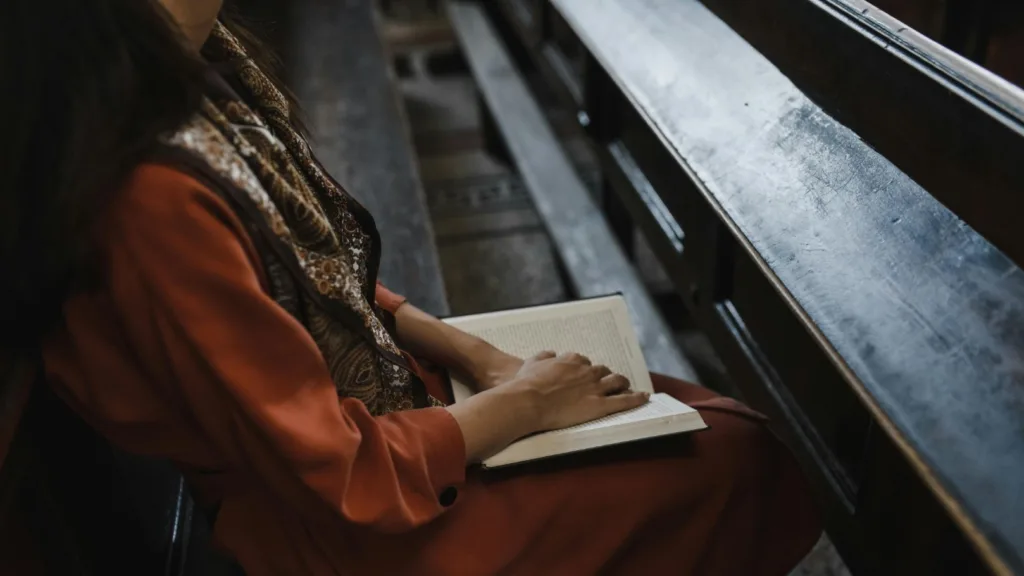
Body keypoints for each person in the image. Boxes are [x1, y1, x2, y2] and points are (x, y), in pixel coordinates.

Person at [0, 0, 821, 574]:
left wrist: (475, 351)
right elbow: (342, 478)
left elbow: (314, 281)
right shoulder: (152, 193)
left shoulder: (190, 66)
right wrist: (524, 405)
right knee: (739, 464)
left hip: (381, 429)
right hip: (347, 532)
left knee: (689, 420)